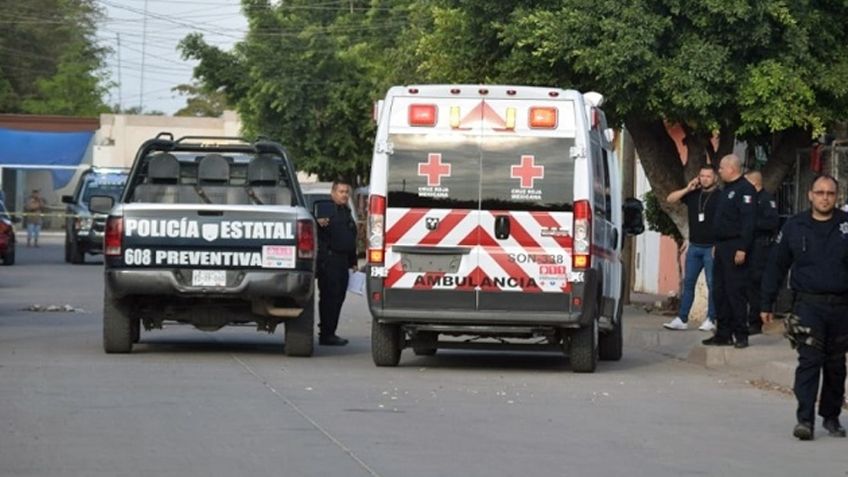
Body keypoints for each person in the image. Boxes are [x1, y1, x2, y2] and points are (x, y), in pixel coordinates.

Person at [761, 175, 848, 440]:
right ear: (810, 195)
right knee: (809, 362)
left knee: (835, 365)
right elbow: (776, 265)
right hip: (808, 304)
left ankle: (831, 417)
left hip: (842, 306)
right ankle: (805, 420)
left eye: (830, 193)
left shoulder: (846, 226)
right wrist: (766, 302)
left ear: (837, 196)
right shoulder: (795, 226)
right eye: (820, 192)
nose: (825, 197)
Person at [703, 154, 757, 348]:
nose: (719, 171)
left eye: (721, 168)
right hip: (722, 246)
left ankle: (741, 334)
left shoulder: (745, 190)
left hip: (736, 246)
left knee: (735, 291)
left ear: (731, 169)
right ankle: (723, 333)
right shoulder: (726, 190)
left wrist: (743, 247)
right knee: (720, 291)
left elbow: (748, 222)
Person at [663, 165, 719, 331]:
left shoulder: (720, 196)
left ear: (715, 178)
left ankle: (711, 318)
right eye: (702, 175)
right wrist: (687, 188)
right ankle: (682, 318)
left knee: (712, 283)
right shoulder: (694, 195)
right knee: (689, 283)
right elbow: (670, 199)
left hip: (711, 247)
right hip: (695, 246)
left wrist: (719, 243)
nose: (705, 179)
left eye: (708, 176)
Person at [315, 179, 358, 346]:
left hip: (343, 261)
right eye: (341, 192)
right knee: (329, 298)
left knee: (339, 297)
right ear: (333, 193)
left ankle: (330, 331)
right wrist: (319, 221)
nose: (344, 195)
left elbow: (350, 238)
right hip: (330, 260)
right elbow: (318, 227)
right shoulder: (326, 209)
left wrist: (353, 261)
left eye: (346, 192)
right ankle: (326, 333)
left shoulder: (345, 211)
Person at [744, 171, 780, 335]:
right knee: (748, 284)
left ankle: (755, 322)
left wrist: (751, 224)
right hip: (749, 246)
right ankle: (748, 319)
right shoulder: (749, 199)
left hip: (761, 246)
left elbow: (772, 222)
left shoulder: (766, 199)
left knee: (756, 284)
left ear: (754, 183)